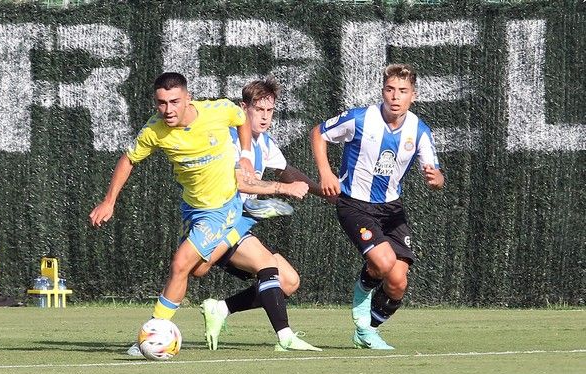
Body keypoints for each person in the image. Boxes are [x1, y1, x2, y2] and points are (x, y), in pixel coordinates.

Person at [89, 72, 319, 355]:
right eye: (162, 103)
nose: (168, 110)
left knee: (187, 264)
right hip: (196, 209)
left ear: (188, 98)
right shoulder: (155, 131)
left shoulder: (220, 113)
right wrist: (109, 201)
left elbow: (242, 127)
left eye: (175, 102)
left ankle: (155, 332)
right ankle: (217, 308)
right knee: (205, 268)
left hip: (223, 209)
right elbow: (128, 159)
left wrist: (248, 156)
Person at [311, 63, 444, 350]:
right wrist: (325, 172)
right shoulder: (361, 119)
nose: (395, 96)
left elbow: (435, 172)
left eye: (402, 91)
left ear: (413, 96)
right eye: (390, 89)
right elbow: (319, 133)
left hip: (391, 210)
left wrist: (436, 179)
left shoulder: (419, 131)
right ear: (383, 91)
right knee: (383, 263)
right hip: (355, 204)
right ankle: (361, 297)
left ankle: (367, 330)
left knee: (398, 282)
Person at [199, 76, 326, 351]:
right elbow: (241, 182)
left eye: (270, 111)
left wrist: (322, 191)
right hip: (219, 221)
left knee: (288, 282)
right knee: (260, 267)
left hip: (240, 224)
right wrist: (282, 189)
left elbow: (285, 170)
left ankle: (221, 308)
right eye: (259, 110)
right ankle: (285, 336)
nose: (265, 117)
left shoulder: (264, 143)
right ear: (243, 108)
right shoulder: (231, 141)